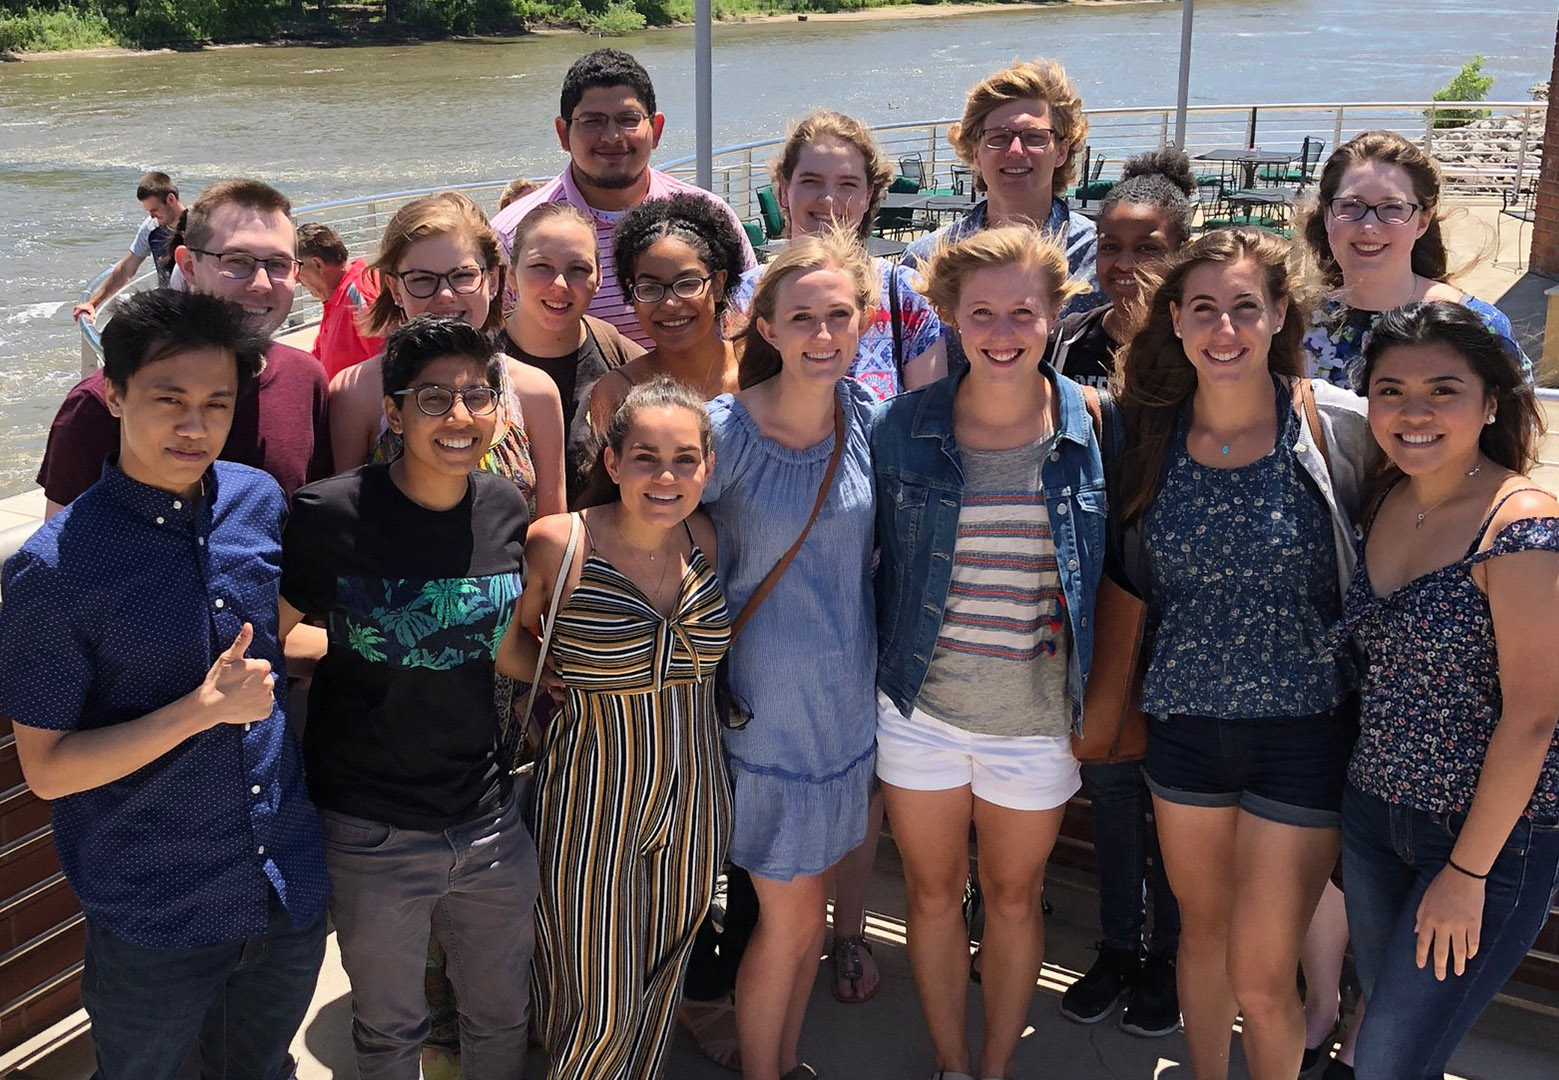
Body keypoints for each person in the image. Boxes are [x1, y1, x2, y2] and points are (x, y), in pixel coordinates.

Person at [0, 288, 329, 1080]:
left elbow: (284, 631)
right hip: (156, 909)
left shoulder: (255, 500)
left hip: (284, 882)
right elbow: (46, 770)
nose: (194, 425)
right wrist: (198, 712)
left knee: (260, 1069)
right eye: (167, 400)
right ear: (111, 395)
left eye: (217, 403)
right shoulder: (51, 571)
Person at [1113, 227, 1375, 1080]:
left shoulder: (1337, 427)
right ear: (1177, 324)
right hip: (1184, 727)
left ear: (1278, 315)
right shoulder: (1148, 436)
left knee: (1263, 977)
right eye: (1202, 310)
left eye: (1243, 308)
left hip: (1302, 734)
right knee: (1201, 938)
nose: (1223, 329)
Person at [279, 316, 540, 1080]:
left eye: (477, 396)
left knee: (501, 1018)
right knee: (390, 1031)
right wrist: (382, 635)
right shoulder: (329, 514)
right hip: (370, 826)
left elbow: (496, 645)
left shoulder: (502, 509)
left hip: (488, 817)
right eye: (433, 399)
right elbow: (273, 638)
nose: (459, 418)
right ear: (392, 412)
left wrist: (571, 670)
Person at [872, 224, 1101, 1080]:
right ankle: (950, 1063)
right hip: (919, 712)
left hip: (1035, 722)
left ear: (1053, 314)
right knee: (931, 897)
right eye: (981, 314)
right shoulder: (902, 428)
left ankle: (995, 1067)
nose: (1001, 333)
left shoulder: (1090, 427)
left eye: (1022, 312)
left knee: (1011, 900)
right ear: (950, 319)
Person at [1337, 301, 1559, 1080]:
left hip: (1482, 843)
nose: (1413, 412)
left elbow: (1533, 717)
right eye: (1390, 390)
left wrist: (1464, 877)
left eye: (1443, 390)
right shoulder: (1387, 495)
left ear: (1489, 401)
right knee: (1383, 1041)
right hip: (1372, 819)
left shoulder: (1521, 527)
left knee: (1389, 1062)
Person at [504, 376, 732, 1080]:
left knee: (661, 976)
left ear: (707, 467)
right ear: (612, 462)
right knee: (596, 1000)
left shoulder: (703, 536)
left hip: (695, 797)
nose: (666, 476)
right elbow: (508, 645)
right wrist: (549, 676)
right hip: (590, 799)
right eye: (645, 457)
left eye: (685, 459)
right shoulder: (559, 543)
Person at [702, 231, 879, 1080]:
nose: (821, 334)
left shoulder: (869, 422)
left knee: (805, 919)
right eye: (800, 316)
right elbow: (645, 532)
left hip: (843, 712)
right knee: (787, 914)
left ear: (862, 322)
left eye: (837, 316)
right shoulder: (722, 432)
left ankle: (781, 1060)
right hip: (761, 718)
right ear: (764, 326)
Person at [1047, 149, 1191, 1037]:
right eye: (1108, 245)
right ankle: (1115, 944)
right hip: (1099, 594)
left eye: (1147, 248)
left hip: (1181, 606)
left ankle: (1169, 958)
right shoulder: (1072, 336)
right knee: (1106, 784)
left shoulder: (1200, 340)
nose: (1123, 263)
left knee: (1171, 797)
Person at [39, 178, 332, 515]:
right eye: (237, 261)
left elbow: (312, 525)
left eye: (279, 264)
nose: (261, 284)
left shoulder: (305, 379)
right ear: (189, 266)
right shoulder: (103, 404)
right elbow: (66, 550)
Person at [491, 48, 756, 349]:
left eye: (628, 119)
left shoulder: (710, 220)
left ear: (656, 129)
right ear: (563, 133)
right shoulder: (512, 238)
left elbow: (746, 326)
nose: (613, 137)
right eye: (593, 121)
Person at [329, 191, 566, 519]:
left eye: (463, 276)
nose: (445, 294)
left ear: (493, 279)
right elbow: (343, 521)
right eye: (422, 279)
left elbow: (551, 532)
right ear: (395, 289)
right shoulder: (356, 393)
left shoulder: (535, 392)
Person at [729, 109, 946, 400]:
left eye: (847, 185)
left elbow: (924, 421)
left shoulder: (907, 297)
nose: (829, 200)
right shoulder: (746, 298)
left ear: (869, 196)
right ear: (783, 190)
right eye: (811, 182)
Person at [1299, 129, 1532, 388]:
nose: (1369, 226)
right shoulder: (1298, 325)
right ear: (1328, 215)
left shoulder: (1477, 327)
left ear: (1422, 221)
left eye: (1392, 208)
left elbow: (1515, 426)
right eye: (1351, 205)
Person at [901, 59, 1104, 321]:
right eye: (999, 137)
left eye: (1034, 137)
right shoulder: (925, 261)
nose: (1016, 151)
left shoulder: (1096, 258)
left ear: (1061, 151)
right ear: (976, 153)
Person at [501, 201, 644, 501]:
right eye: (542, 267)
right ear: (512, 274)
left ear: (599, 278)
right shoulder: (476, 365)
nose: (560, 284)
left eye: (578, 269)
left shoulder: (620, 356)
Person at [586, 194, 747, 429]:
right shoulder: (618, 392)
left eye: (687, 283)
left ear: (719, 284)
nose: (670, 304)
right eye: (650, 288)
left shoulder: (758, 365)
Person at [72, 170, 185, 322]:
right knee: (121, 315)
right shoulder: (151, 227)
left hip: (192, 304)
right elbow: (126, 269)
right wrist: (92, 303)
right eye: (148, 211)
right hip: (166, 301)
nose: (151, 216)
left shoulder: (198, 225)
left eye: (154, 210)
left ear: (170, 199)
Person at [297, 221, 385, 379]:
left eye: (297, 268)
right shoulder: (335, 297)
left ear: (318, 265)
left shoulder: (358, 295)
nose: (297, 279)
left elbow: (386, 362)